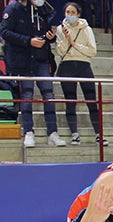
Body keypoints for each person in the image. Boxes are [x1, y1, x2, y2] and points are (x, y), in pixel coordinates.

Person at [0, 0, 67, 148]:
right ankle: (28, 132)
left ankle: (53, 133)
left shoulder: (43, 11)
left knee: (49, 96)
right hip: (23, 61)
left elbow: (49, 33)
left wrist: (51, 36)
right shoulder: (13, 9)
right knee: (27, 96)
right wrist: (28, 41)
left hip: (42, 59)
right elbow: (4, 32)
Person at [54, 2, 108, 146]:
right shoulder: (60, 29)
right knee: (70, 102)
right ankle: (74, 134)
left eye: (73, 12)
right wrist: (67, 39)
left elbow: (92, 51)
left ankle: (99, 134)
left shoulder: (86, 28)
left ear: (78, 14)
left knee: (92, 101)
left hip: (84, 65)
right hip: (67, 66)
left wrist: (74, 43)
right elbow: (61, 51)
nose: (70, 15)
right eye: (67, 12)